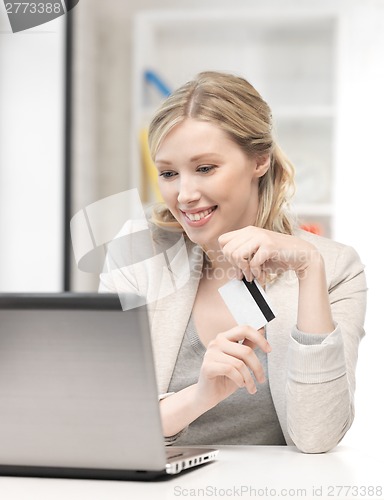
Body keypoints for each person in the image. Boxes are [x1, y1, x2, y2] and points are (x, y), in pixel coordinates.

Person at [99, 71, 366, 453]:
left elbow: (317, 435)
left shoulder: (336, 268)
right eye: (169, 173)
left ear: (260, 160)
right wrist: (199, 396)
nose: (185, 194)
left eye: (205, 168)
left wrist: (308, 266)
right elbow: (108, 422)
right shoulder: (137, 253)